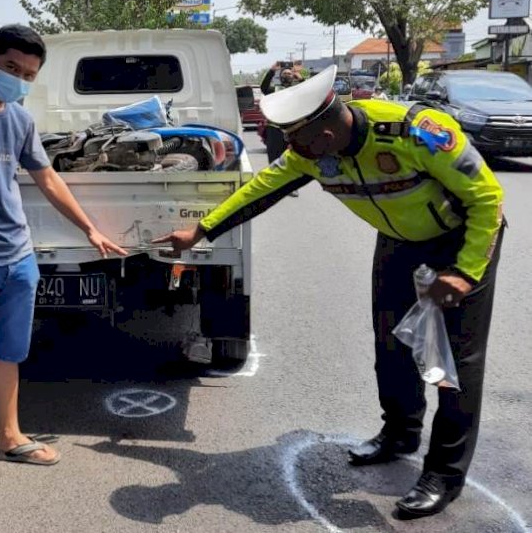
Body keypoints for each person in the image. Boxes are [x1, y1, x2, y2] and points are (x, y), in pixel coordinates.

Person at [154, 65, 505, 519]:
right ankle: (399, 434)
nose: (291, 153)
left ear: (324, 130)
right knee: (392, 343)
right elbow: (262, 189)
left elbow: (487, 199)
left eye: (295, 142)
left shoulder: (414, 132)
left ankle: (444, 474)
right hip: (400, 243)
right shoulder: (310, 150)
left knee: (454, 365)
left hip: (462, 240)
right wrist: (200, 230)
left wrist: (465, 272)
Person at [0, 24, 127, 516]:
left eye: (28, 74)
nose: (18, 79)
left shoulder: (19, 119)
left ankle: (8, 436)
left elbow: (46, 177)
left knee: (9, 352)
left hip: (18, 259)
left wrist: (89, 228)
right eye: (12, 68)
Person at [260, 63, 303, 196]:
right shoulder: (274, 90)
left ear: (293, 76)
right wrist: (271, 71)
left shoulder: (298, 89)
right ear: (280, 76)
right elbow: (263, 87)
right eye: (284, 74)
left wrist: (301, 79)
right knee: (274, 159)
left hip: (292, 130)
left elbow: (310, 91)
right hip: (275, 129)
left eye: (289, 74)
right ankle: (273, 186)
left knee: (292, 160)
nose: (287, 76)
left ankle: (291, 187)